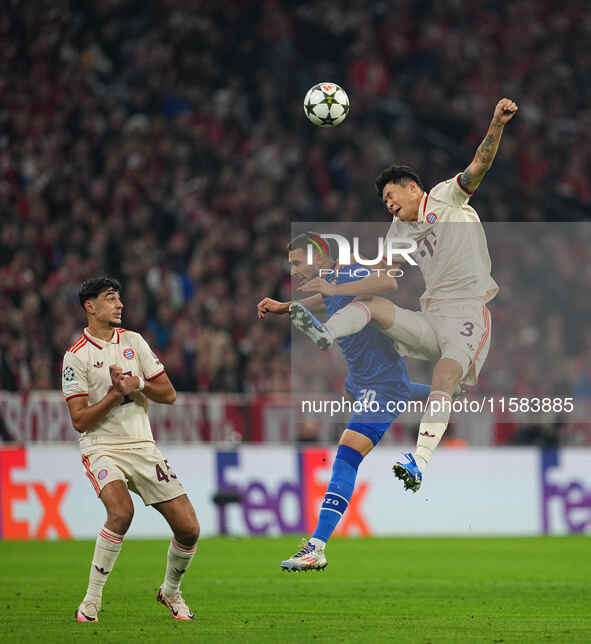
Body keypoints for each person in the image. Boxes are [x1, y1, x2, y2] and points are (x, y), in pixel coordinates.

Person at [291, 98, 518, 493]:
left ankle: (419, 459)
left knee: (444, 374)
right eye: (384, 203)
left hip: (466, 312)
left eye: (392, 197)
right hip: (430, 316)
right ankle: (328, 334)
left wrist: (496, 123)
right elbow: (380, 280)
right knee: (371, 305)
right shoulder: (397, 232)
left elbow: (479, 164)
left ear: (414, 188)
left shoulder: (448, 196)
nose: (389, 205)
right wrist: (323, 293)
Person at [257, 234, 430, 571]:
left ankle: (316, 546)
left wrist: (338, 286)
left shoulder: (346, 274)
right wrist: (284, 307)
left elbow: (386, 282)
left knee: (346, 458)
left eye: (297, 262)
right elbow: (324, 303)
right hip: (365, 383)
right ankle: (443, 392)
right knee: (358, 436)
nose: (292, 271)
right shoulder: (333, 283)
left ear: (319, 256)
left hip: (380, 387)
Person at [62, 277, 199, 622]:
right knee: (121, 513)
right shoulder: (76, 357)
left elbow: (168, 394)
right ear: (90, 307)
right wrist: (113, 393)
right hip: (102, 447)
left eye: (119, 299)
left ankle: (170, 592)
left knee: (189, 529)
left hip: (143, 446)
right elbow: (79, 420)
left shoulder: (134, 342)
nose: (119, 304)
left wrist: (136, 383)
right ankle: (91, 601)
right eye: (110, 299)